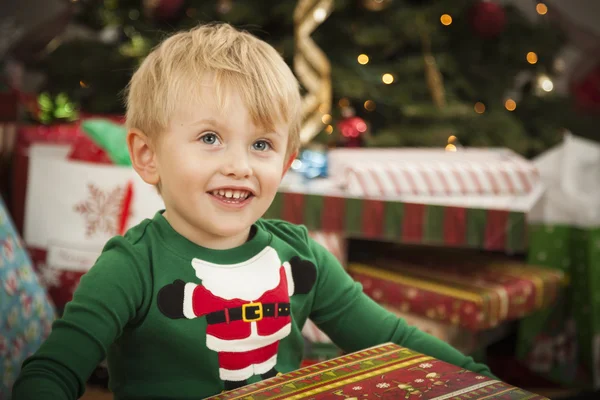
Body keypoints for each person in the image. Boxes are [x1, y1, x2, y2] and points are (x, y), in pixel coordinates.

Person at [13, 23, 493, 400]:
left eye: (261, 144)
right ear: (147, 156)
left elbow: (391, 339)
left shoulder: (300, 259)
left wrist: (481, 382)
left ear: (284, 164)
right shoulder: (131, 267)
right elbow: (54, 370)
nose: (239, 166)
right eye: (209, 138)